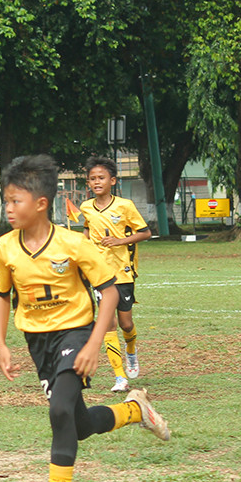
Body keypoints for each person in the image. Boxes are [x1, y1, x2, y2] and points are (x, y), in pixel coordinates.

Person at [0, 154, 171, 482]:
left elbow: (110, 292)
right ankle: (136, 411)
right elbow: (1, 295)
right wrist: (1, 344)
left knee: (58, 412)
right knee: (80, 423)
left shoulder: (74, 244)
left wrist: (92, 345)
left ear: (41, 204)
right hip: (38, 342)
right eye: (6, 200)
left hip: (76, 333)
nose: (8, 208)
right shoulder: (4, 247)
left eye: (15, 201)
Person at [80, 156, 152, 393]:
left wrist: (119, 241)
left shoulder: (125, 206)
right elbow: (87, 232)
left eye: (101, 178)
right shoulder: (86, 207)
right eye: (92, 179)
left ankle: (131, 349)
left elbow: (145, 232)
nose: (96, 182)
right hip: (100, 275)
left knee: (125, 323)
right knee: (108, 324)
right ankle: (120, 377)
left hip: (123, 273)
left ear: (112, 180)